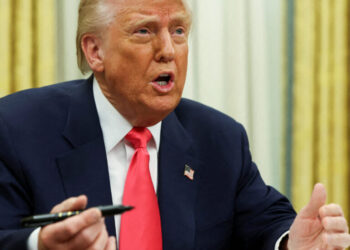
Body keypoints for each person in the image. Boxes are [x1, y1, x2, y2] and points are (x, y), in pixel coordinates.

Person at [0, 0, 349, 249]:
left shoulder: (219, 139)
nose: (168, 49)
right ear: (95, 51)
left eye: (178, 30)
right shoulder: (17, 129)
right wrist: (40, 245)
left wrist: (291, 244)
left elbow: (267, 223)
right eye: (143, 31)